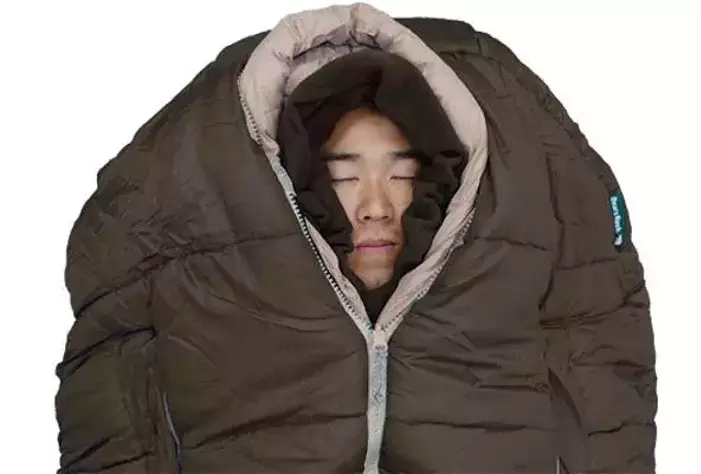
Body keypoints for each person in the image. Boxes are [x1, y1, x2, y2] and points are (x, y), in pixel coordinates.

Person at [54, 2, 657, 473]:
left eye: (402, 174)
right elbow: (113, 346)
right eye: (343, 176)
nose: (374, 208)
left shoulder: (524, 209)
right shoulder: (206, 206)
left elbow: (601, 349)